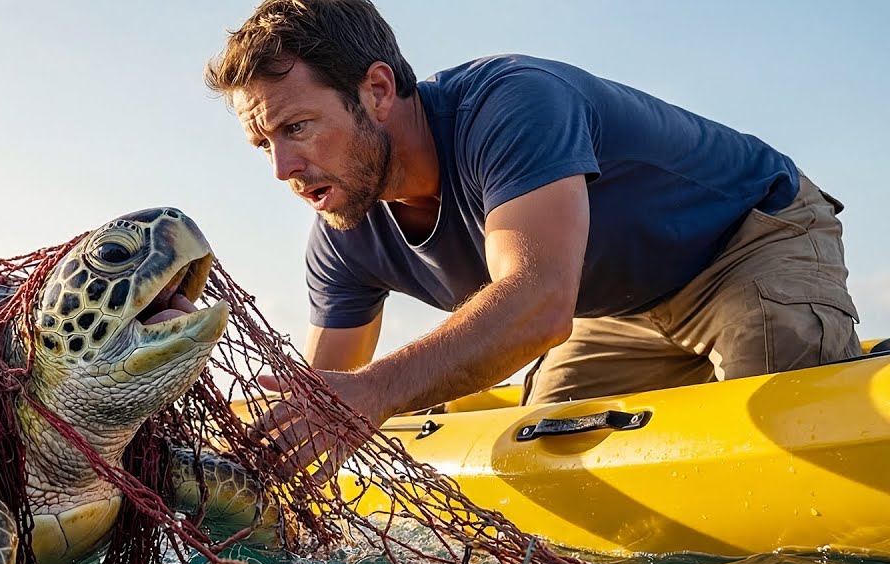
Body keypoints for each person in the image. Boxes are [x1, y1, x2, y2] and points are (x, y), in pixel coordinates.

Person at [205, 0, 860, 471]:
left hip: (746, 243)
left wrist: (374, 394)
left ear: (376, 89)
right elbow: (320, 398)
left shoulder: (512, 103)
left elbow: (539, 301)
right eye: (261, 143)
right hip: (612, 310)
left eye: (295, 128)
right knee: (547, 451)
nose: (282, 170)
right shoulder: (342, 226)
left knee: (779, 449)